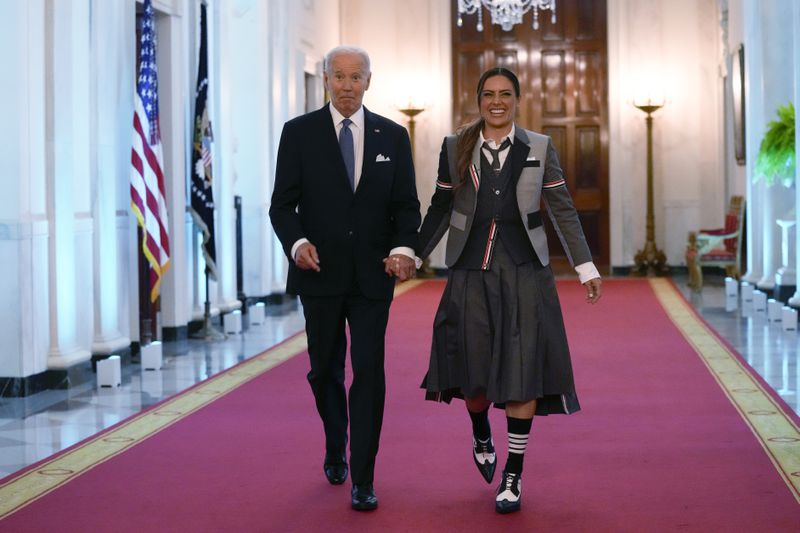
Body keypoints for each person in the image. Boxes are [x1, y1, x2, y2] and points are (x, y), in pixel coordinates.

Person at [416, 67, 602, 514]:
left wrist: (585, 265)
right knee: (473, 375)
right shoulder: (454, 145)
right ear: (478, 99)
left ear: (517, 99)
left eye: (505, 94)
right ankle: (481, 431)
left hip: (524, 272)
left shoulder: (539, 147)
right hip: (469, 271)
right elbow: (441, 205)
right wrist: (414, 251)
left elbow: (561, 207)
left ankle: (512, 474)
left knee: (523, 372)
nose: (496, 102)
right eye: (488, 95)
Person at [269, 45, 420, 511]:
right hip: (320, 275)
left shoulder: (392, 136)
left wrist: (401, 249)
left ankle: (363, 476)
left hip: (374, 279)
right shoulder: (299, 134)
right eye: (339, 77)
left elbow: (406, 206)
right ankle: (336, 443)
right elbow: (281, 206)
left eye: (356, 77)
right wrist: (297, 244)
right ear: (327, 79)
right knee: (325, 371)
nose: (347, 86)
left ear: (369, 82)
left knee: (369, 373)